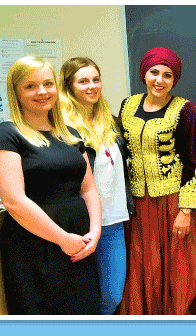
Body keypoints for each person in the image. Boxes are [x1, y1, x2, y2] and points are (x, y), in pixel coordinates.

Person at [0, 55, 101, 314]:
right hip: (35, 245)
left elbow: (88, 188)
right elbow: (14, 201)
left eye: (48, 84)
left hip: (81, 243)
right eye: (30, 86)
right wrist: (62, 239)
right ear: (16, 92)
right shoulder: (5, 135)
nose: (42, 92)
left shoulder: (71, 134)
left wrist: (94, 232)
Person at [117, 47, 196, 315]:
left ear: (174, 80)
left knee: (179, 274)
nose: (160, 80)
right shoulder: (127, 106)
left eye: (168, 75)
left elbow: (195, 160)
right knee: (144, 270)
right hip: (138, 206)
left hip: (174, 204)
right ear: (144, 73)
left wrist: (186, 210)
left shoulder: (186, 110)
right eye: (154, 72)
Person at [58, 57, 134, 315]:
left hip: (113, 222)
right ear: (68, 87)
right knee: (83, 296)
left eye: (95, 79)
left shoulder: (111, 122)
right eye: (83, 81)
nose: (92, 86)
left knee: (112, 295)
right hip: (80, 225)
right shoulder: (61, 128)